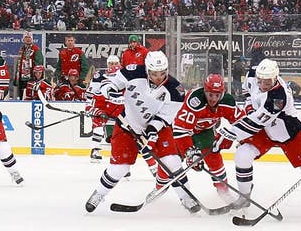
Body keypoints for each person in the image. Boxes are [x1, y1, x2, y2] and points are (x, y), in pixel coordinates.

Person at [212, 59, 301, 215]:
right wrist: (249, 107)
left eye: (268, 82)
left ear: (276, 77)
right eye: (261, 81)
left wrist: (230, 134)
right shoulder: (252, 76)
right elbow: (248, 94)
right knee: (243, 154)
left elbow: (256, 122)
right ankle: (244, 197)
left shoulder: (279, 96)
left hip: (289, 132)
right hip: (265, 130)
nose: (263, 85)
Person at [84, 51, 201, 214]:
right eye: (154, 73)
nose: (158, 77)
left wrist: (152, 133)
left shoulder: (176, 90)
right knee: (119, 169)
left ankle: (186, 196)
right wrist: (110, 90)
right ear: (147, 70)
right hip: (127, 126)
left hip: (159, 129)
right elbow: (110, 83)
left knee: (172, 161)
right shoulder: (133, 71)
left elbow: (164, 117)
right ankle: (99, 194)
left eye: (162, 73)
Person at [173, 73, 240, 202]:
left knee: (214, 158)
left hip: (204, 132)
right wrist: (190, 152)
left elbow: (242, 123)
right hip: (182, 132)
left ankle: (224, 191)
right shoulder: (195, 100)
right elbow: (181, 129)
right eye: (210, 94)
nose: (213, 99)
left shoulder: (227, 102)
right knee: (171, 160)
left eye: (217, 95)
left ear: (223, 93)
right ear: (205, 91)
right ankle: (162, 186)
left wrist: (234, 137)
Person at [85, 55, 122, 162]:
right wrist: (90, 108)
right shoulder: (99, 75)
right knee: (98, 125)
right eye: (111, 64)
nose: (114, 66)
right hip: (103, 105)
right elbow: (90, 94)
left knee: (123, 129)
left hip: (118, 105)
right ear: (107, 65)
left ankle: (120, 153)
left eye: (116, 63)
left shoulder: (124, 75)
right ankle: (95, 150)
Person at [15, 31, 45, 97]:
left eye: (29, 37)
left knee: (30, 96)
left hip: (31, 79)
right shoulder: (22, 49)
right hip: (22, 79)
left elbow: (39, 64)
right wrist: (17, 78)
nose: (28, 39)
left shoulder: (36, 49)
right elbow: (19, 64)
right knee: (21, 96)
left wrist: (36, 77)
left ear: (32, 39)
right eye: (26, 37)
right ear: (23, 39)